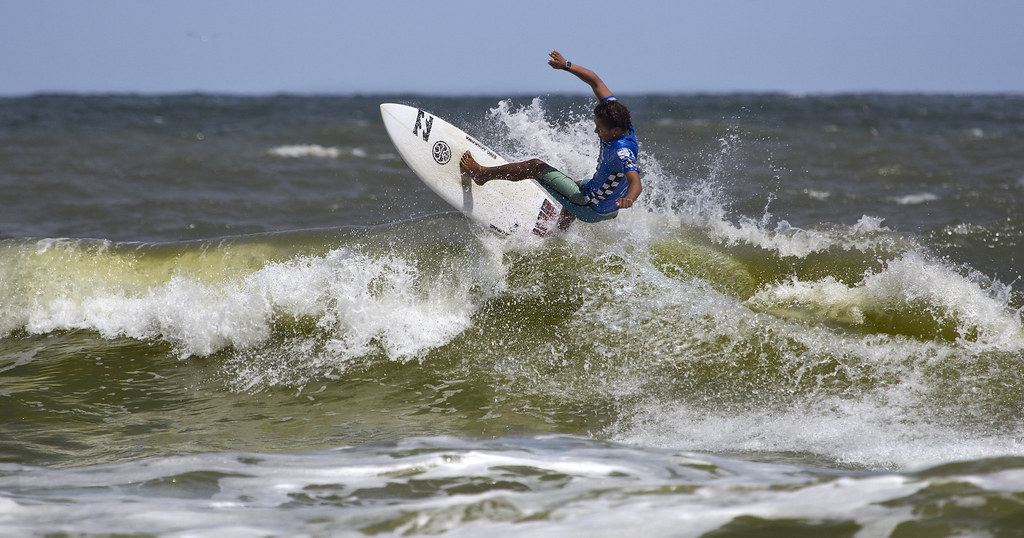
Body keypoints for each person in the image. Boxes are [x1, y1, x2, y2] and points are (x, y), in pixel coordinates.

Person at [460, 50, 642, 230]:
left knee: (534, 166)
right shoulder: (620, 121)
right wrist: (566, 65)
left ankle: (482, 175)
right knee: (576, 185)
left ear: (615, 131)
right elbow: (596, 81)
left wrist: (629, 199)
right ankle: (560, 233)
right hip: (606, 205)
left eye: (599, 128)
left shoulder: (621, 151)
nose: (596, 131)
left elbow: (635, 182)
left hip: (591, 208)